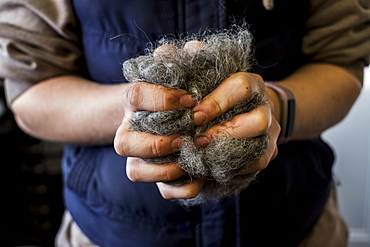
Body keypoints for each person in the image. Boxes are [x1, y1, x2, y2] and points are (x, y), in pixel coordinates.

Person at [1, 0, 369, 246]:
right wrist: (141, 111)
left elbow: (340, 60)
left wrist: (274, 107)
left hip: (294, 226)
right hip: (108, 232)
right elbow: (30, 91)